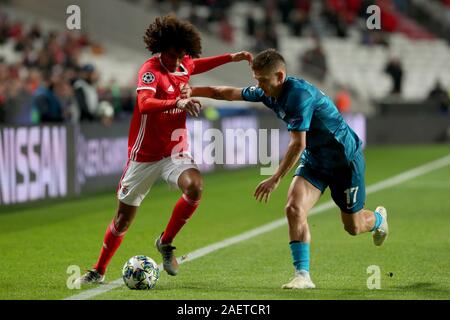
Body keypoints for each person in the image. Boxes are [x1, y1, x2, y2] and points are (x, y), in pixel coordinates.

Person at [186, 49, 388, 289]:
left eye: (263, 80)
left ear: (280, 76)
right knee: (294, 208)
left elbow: (297, 144)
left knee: (353, 227)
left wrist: (275, 178)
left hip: (344, 162)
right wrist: (192, 90)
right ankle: (303, 275)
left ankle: (378, 219)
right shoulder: (267, 91)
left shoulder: (298, 96)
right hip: (316, 160)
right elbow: (227, 93)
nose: (259, 86)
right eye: (256, 80)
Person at [74, 15, 252, 285]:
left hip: (174, 151)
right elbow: (145, 103)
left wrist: (231, 57)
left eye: (183, 55)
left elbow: (197, 63)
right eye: (174, 55)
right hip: (143, 156)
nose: (179, 61)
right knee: (122, 220)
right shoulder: (150, 70)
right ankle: (99, 269)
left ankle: (165, 242)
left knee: (195, 187)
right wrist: (177, 103)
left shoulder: (182, 63)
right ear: (161, 48)